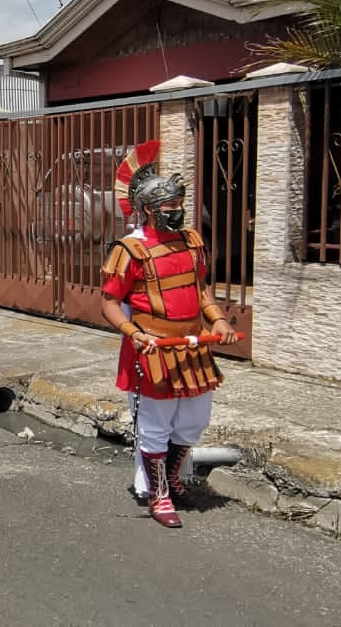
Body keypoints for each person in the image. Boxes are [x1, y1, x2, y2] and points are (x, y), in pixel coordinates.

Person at [101, 141, 238, 529]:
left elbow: (202, 290)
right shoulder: (128, 250)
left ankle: (174, 477)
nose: (176, 213)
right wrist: (132, 333)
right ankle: (159, 494)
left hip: (194, 349)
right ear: (146, 210)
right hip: (153, 349)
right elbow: (109, 303)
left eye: (179, 206)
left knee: (193, 423)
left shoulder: (193, 242)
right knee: (155, 428)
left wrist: (218, 320)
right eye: (168, 209)